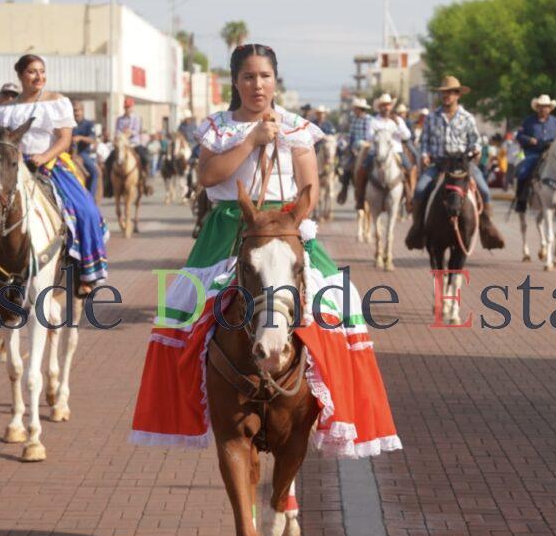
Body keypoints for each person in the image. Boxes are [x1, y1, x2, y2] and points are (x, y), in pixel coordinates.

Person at [132, 43, 400, 459]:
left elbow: (309, 190)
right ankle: (196, 406)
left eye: (265, 76)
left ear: (276, 80)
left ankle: (332, 409)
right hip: (229, 229)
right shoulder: (220, 127)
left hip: (287, 229)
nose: (257, 84)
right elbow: (207, 176)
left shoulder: (297, 127)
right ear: (235, 81)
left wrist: (290, 224)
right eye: (248, 77)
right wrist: (253, 138)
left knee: (339, 303)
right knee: (183, 307)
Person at [0, 54, 109, 293]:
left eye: (42, 71)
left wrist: (44, 157)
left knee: (87, 210)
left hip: (49, 164)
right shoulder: (5, 110)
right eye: (32, 72)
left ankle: (86, 272)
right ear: (20, 75)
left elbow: (64, 138)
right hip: (12, 169)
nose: (39, 76)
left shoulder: (57, 101)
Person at [404, 75, 503, 251]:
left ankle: (487, 229)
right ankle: (418, 228)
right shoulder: (432, 117)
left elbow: (475, 141)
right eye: (444, 93)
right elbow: (424, 142)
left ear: (458, 95)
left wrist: (476, 150)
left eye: (451, 93)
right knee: (419, 190)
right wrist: (425, 154)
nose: (447, 96)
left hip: (463, 165)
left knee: (485, 191)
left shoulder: (467, 118)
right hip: (439, 164)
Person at [356, 93, 413, 194]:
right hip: (376, 152)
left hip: (396, 151)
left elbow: (407, 136)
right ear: (379, 107)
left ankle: (410, 196)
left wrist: (398, 125)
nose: (386, 107)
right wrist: (381, 136)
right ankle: (360, 196)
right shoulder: (374, 121)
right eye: (383, 105)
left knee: (410, 168)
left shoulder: (397, 120)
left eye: (388, 105)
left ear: (391, 106)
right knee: (362, 169)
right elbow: (369, 136)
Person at [514, 94, 556, 213]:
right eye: (541, 106)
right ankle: (521, 201)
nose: (543, 109)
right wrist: (529, 140)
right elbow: (519, 136)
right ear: (537, 107)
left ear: (550, 108)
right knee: (523, 172)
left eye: (546, 106)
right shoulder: (529, 121)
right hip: (533, 153)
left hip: (551, 154)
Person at [338, 97, 372, 205]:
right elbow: (351, 134)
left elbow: (368, 134)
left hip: (365, 145)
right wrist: (349, 145)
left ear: (360, 109)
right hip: (354, 146)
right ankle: (344, 188)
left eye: (355, 108)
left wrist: (361, 144)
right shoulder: (354, 119)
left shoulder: (368, 119)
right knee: (346, 165)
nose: (354, 110)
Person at [72, 102, 100, 200]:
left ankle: (91, 199)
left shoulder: (88, 124)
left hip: (82, 153)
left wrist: (80, 138)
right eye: (74, 111)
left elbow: (93, 139)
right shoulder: (69, 124)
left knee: (94, 172)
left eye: (77, 110)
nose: (76, 113)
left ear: (82, 111)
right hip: (68, 153)